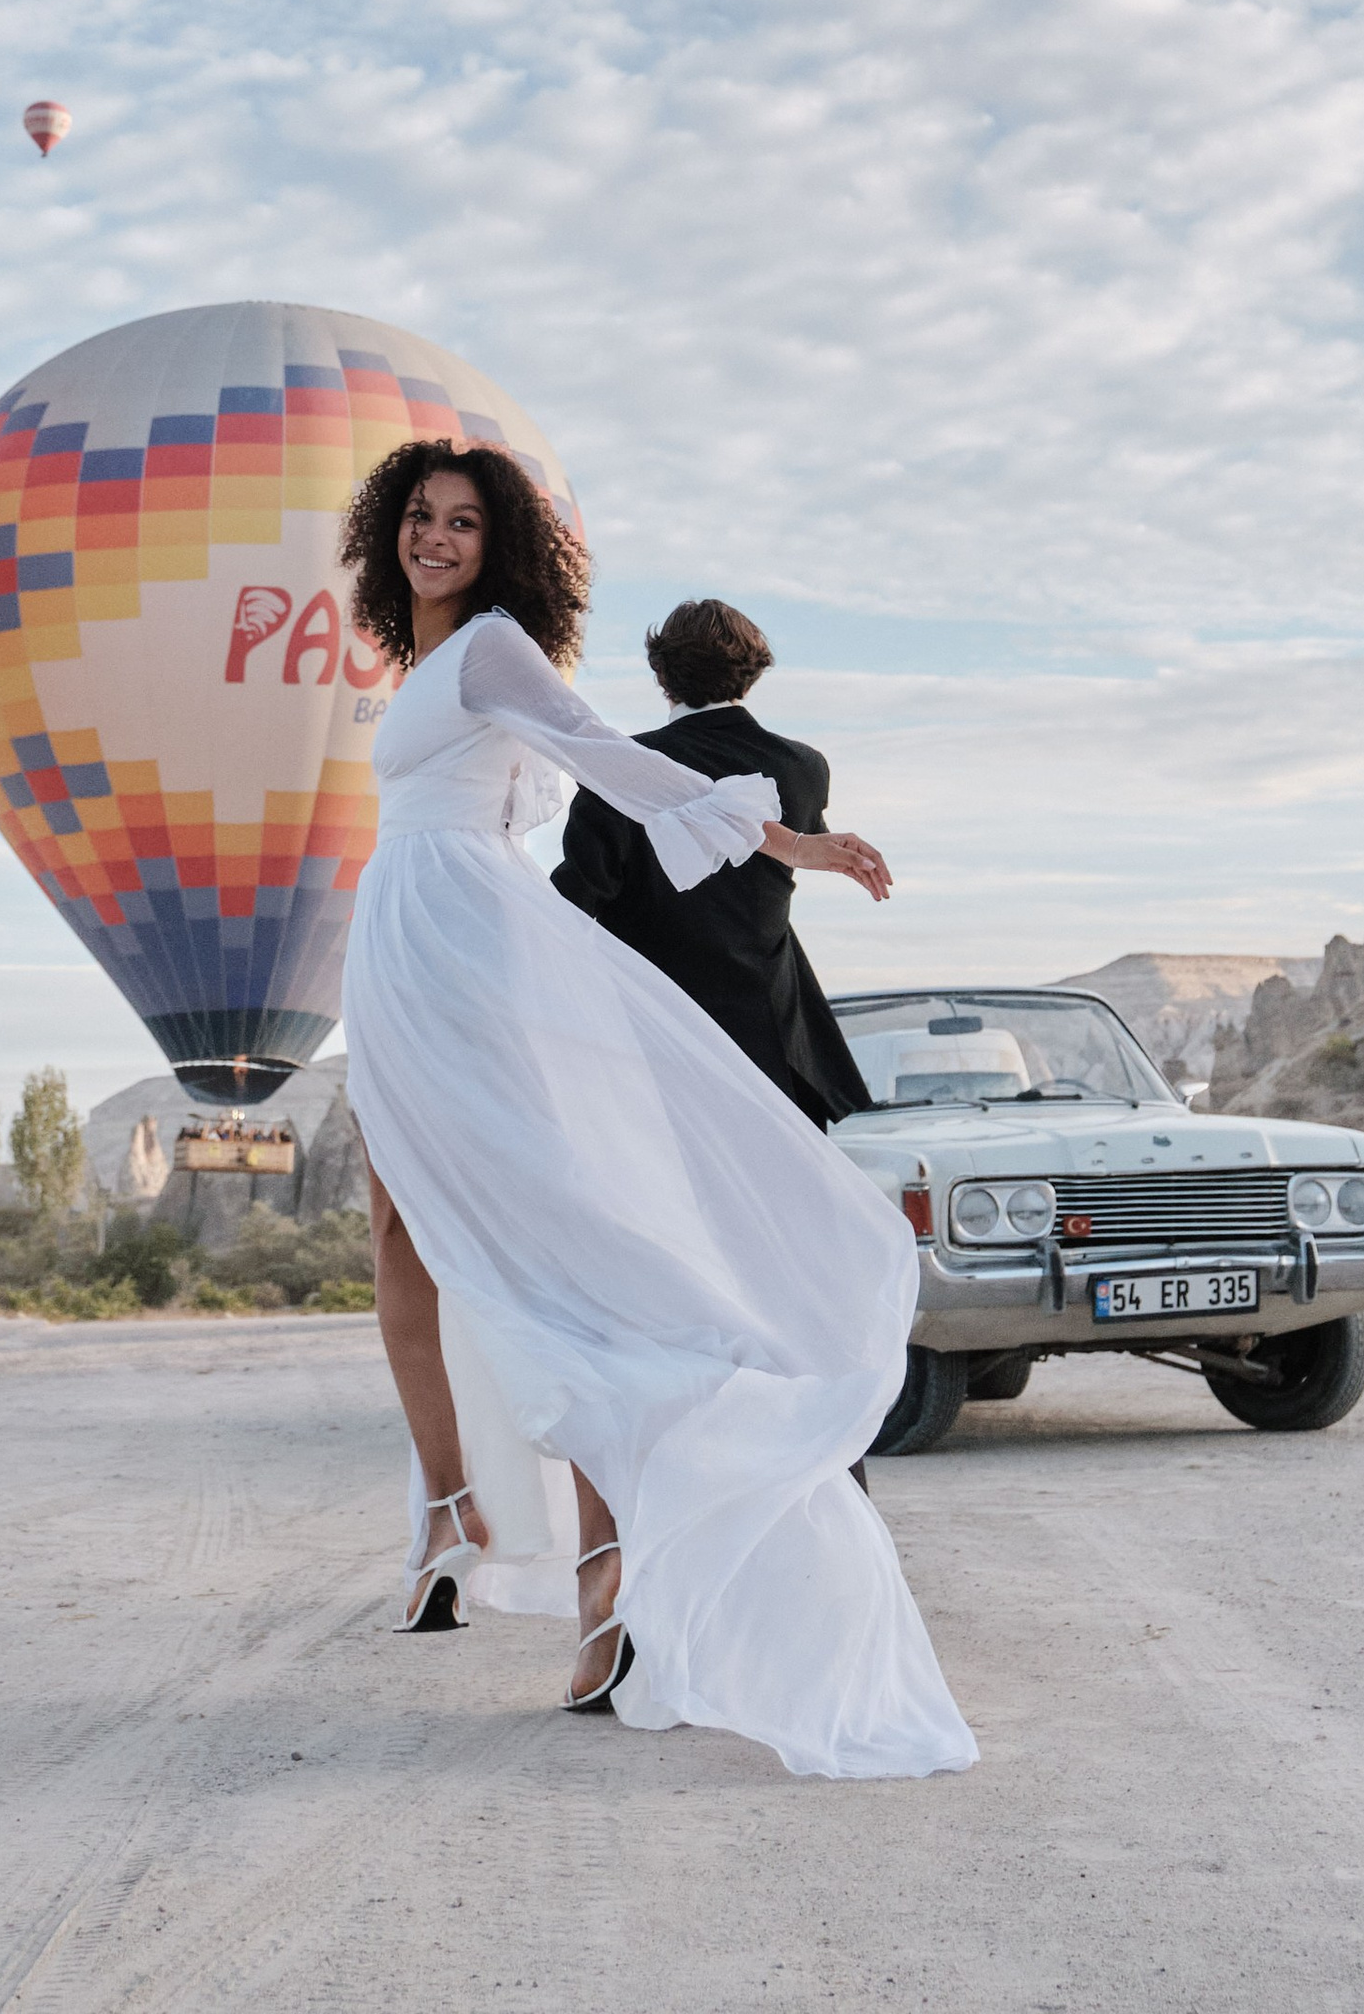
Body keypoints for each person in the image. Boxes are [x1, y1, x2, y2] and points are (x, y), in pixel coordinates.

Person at [337, 439, 976, 1781]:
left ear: (499, 546)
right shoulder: (421, 666)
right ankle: (448, 1509)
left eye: (462, 523)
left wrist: (784, 839)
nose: (433, 537)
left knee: (553, 1250)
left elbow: (600, 754)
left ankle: (609, 1562)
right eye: (419, 516)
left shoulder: (493, 648)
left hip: (462, 941)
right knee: (399, 1235)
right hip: (399, 941)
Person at [550, 597, 873, 1131]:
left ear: (661, 674)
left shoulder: (619, 770)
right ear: (753, 672)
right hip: (774, 1037)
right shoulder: (803, 768)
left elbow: (575, 901)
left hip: (655, 1034)